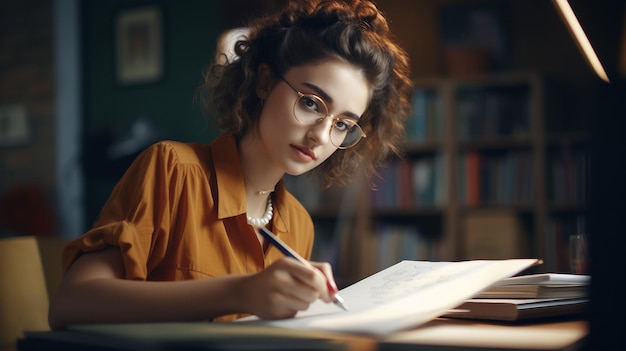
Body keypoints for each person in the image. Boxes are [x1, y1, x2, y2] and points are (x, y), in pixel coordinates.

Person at [48, 0, 412, 330]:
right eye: (313, 103)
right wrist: (241, 291)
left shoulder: (297, 224)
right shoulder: (172, 170)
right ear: (265, 82)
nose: (320, 135)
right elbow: (71, 304)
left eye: (343, 124)